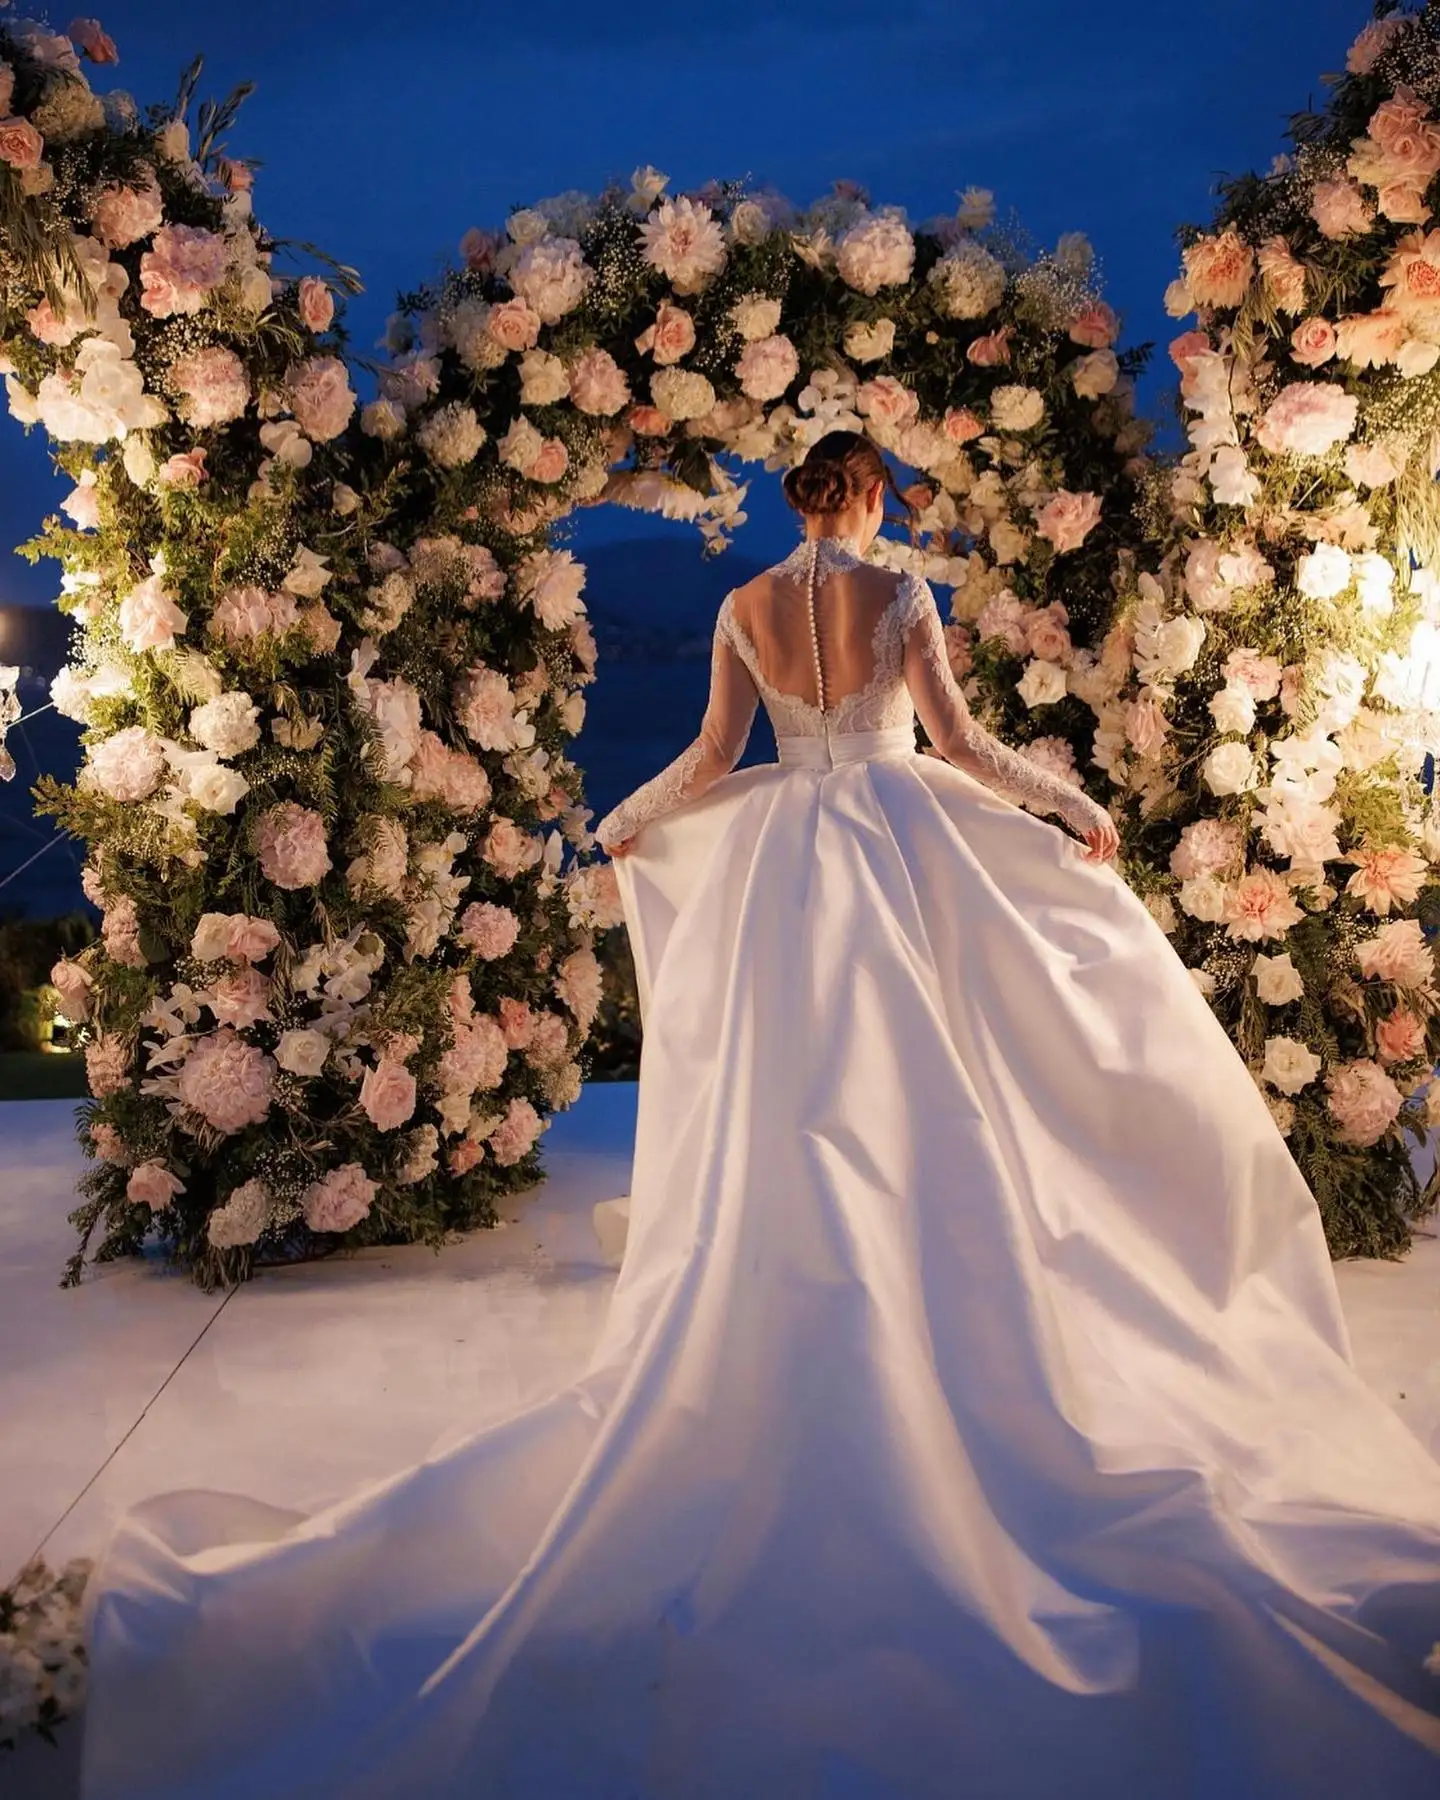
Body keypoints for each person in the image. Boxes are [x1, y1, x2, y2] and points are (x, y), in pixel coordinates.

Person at [82, 433, 1440, 1799]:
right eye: (884, 494)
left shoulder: (740, 608)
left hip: (793, 861)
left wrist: (622, 822)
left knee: (799, 1090)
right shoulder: (901, 595)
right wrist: (1071, 800)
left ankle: (813, 1273)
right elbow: (959, 747)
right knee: (953, 1075)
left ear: (797, 499)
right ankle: (942, 1282)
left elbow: (710, 760)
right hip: (907, 855)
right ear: (870, 498)